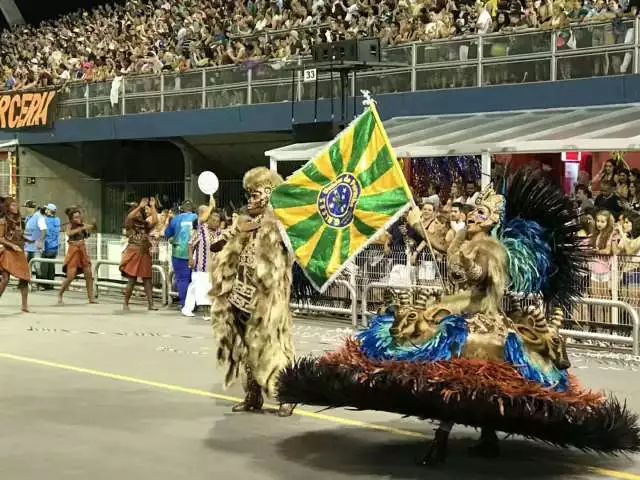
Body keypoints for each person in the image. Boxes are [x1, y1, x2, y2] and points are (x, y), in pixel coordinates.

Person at [277, 167, 640, 463]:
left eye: (480, 213)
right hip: (460, 310)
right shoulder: (464, 241)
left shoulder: (493, 251)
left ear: (493, 218)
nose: (472, 217)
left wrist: (446, 303)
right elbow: (445, 253)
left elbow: (483, 296)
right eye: (471, 212)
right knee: (465, 385)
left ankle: (443, 440)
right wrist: (419, 224)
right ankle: (481, 438)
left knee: (463, 382)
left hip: (482, 320)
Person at [210, 167, 296, 417]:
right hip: (240, 297)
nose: (250, 199)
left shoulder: (282, 227)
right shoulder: (244, 223)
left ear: (269, 194)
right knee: (247, 349)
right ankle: (253, 395)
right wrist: (239, 230)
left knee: (273, 347)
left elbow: (294, 255)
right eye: (248, 194)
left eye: (254, 194)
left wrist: (271, 224)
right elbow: (216, 244)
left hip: (268, 300)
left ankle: (286, 396)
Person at [181, 200, 221, 318]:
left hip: (213, 266)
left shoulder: (219, 232)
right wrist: (190, 258)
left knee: (194, 287)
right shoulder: (201, 230)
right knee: (203, 287)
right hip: (200, 264)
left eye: (218, 221)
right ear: (208, 220)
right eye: (213, 220)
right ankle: (206, 312)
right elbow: (190, 244)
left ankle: (187, 308)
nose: (216, 223)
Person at [120, 198, 158, 311]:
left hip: (144, 252)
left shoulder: (145, 224)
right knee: (132, 279)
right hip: (134, 252)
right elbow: (130, 216)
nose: (140, 214)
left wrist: (153, 206)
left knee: (147, 279)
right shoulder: (130, 223)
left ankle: (151, 304)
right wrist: (139, 206)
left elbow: (155, 221)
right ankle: (125, 303)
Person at [58, 207, 96, 305]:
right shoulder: (70, 225)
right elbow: (69, 233)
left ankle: (91, 298)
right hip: (73, 250)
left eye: (79, 216)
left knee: (89, 274)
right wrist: (81, 228)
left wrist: (93, 225)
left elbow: (91, 229)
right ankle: (60, 294)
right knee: (70, 276)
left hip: (82, 250)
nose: (78, 218)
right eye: (75, 217)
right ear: (71, 219)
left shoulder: (82, 225)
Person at [165, 200, 198, 307]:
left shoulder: (176, 219)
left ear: (182, 209)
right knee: (194, 279)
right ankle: (195, 303)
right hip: (195, 254)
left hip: (179, 253)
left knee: (182, 279)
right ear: (193, 208)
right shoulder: (197, 218)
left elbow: (167, 234)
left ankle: (185, 304)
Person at [0, 198, 31, 312]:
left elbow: (19, 235)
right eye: (13, 205)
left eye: (16, 204)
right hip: (8, 252)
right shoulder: (3, 221)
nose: (16, 207)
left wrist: (27, 239)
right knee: (5, 279)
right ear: (7, 207)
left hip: (19, 252)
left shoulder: (20, 221)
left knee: (24, 278)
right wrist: (12, 246)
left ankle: (24, 305)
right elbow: (1, 238)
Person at [41, 203, 61, 290]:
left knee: (44, 265)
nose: (45, 211)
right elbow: (57, 233)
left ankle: (44, 284)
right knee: (51, 266)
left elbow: (44, 233)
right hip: (55, 246)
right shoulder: (57, 220)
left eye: (47, 209)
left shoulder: (44, 220)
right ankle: (51, 284)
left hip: (47, 246)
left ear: (49, 211)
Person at [23, 204, 47, 272]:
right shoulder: (28, 218)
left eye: (26, 207)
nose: (25, 209)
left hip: (36, 247)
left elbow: (44, 231)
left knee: (37, 268)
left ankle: (39, 281)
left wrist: (41, 242)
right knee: (26, 266)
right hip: (27, 246)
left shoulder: (39, 218)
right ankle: (28, 281)